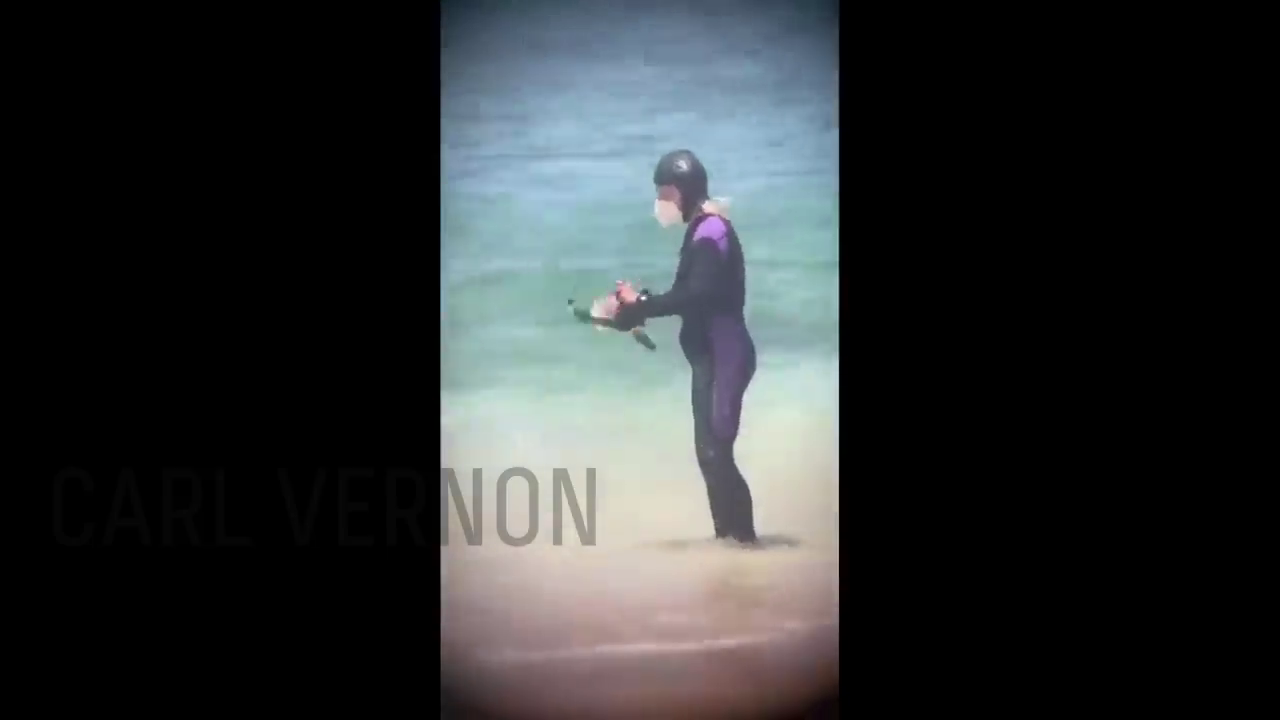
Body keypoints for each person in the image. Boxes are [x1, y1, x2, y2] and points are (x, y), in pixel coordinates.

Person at [612, 149, 758, 545]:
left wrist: (642, 304)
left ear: (680, 191)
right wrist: (637, 307)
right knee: (709, 455)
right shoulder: (701, 230)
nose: (659, 202)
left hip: (725, 356)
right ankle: (727, 543)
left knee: (717, 454)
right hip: (709, 358)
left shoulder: (711, 232)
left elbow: (697, 294)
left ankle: (746, 544)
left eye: (663, 193)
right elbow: (685, 295)